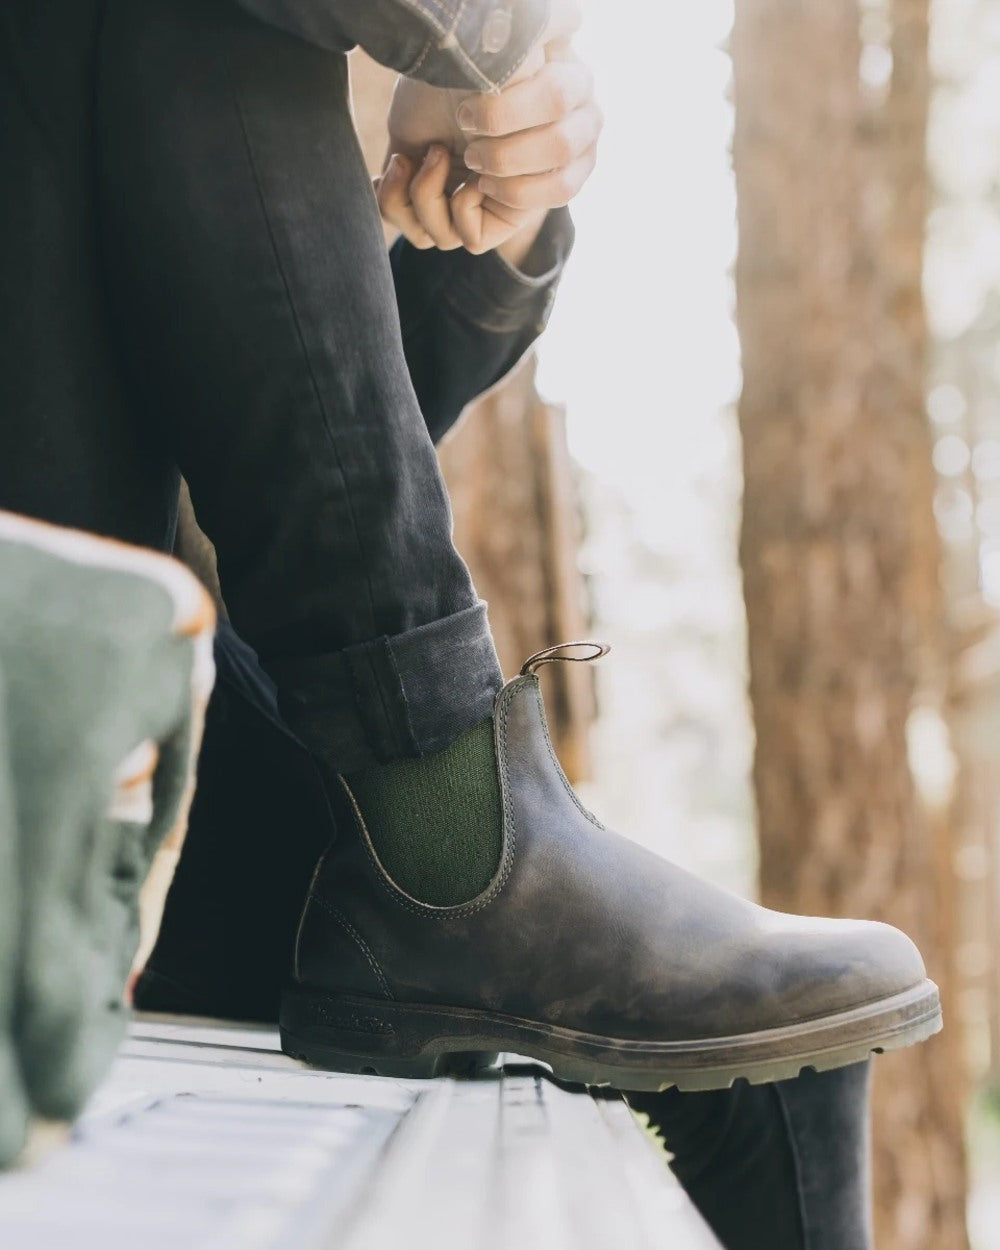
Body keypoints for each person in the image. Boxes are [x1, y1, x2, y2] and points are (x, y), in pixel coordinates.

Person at [1, 1, 936, 1246]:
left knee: (774, 1043)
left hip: (120, 745)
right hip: (52, 707)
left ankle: (449, 835)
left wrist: (472, 221)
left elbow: (285, 482)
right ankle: (448, 829)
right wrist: (482, 40)